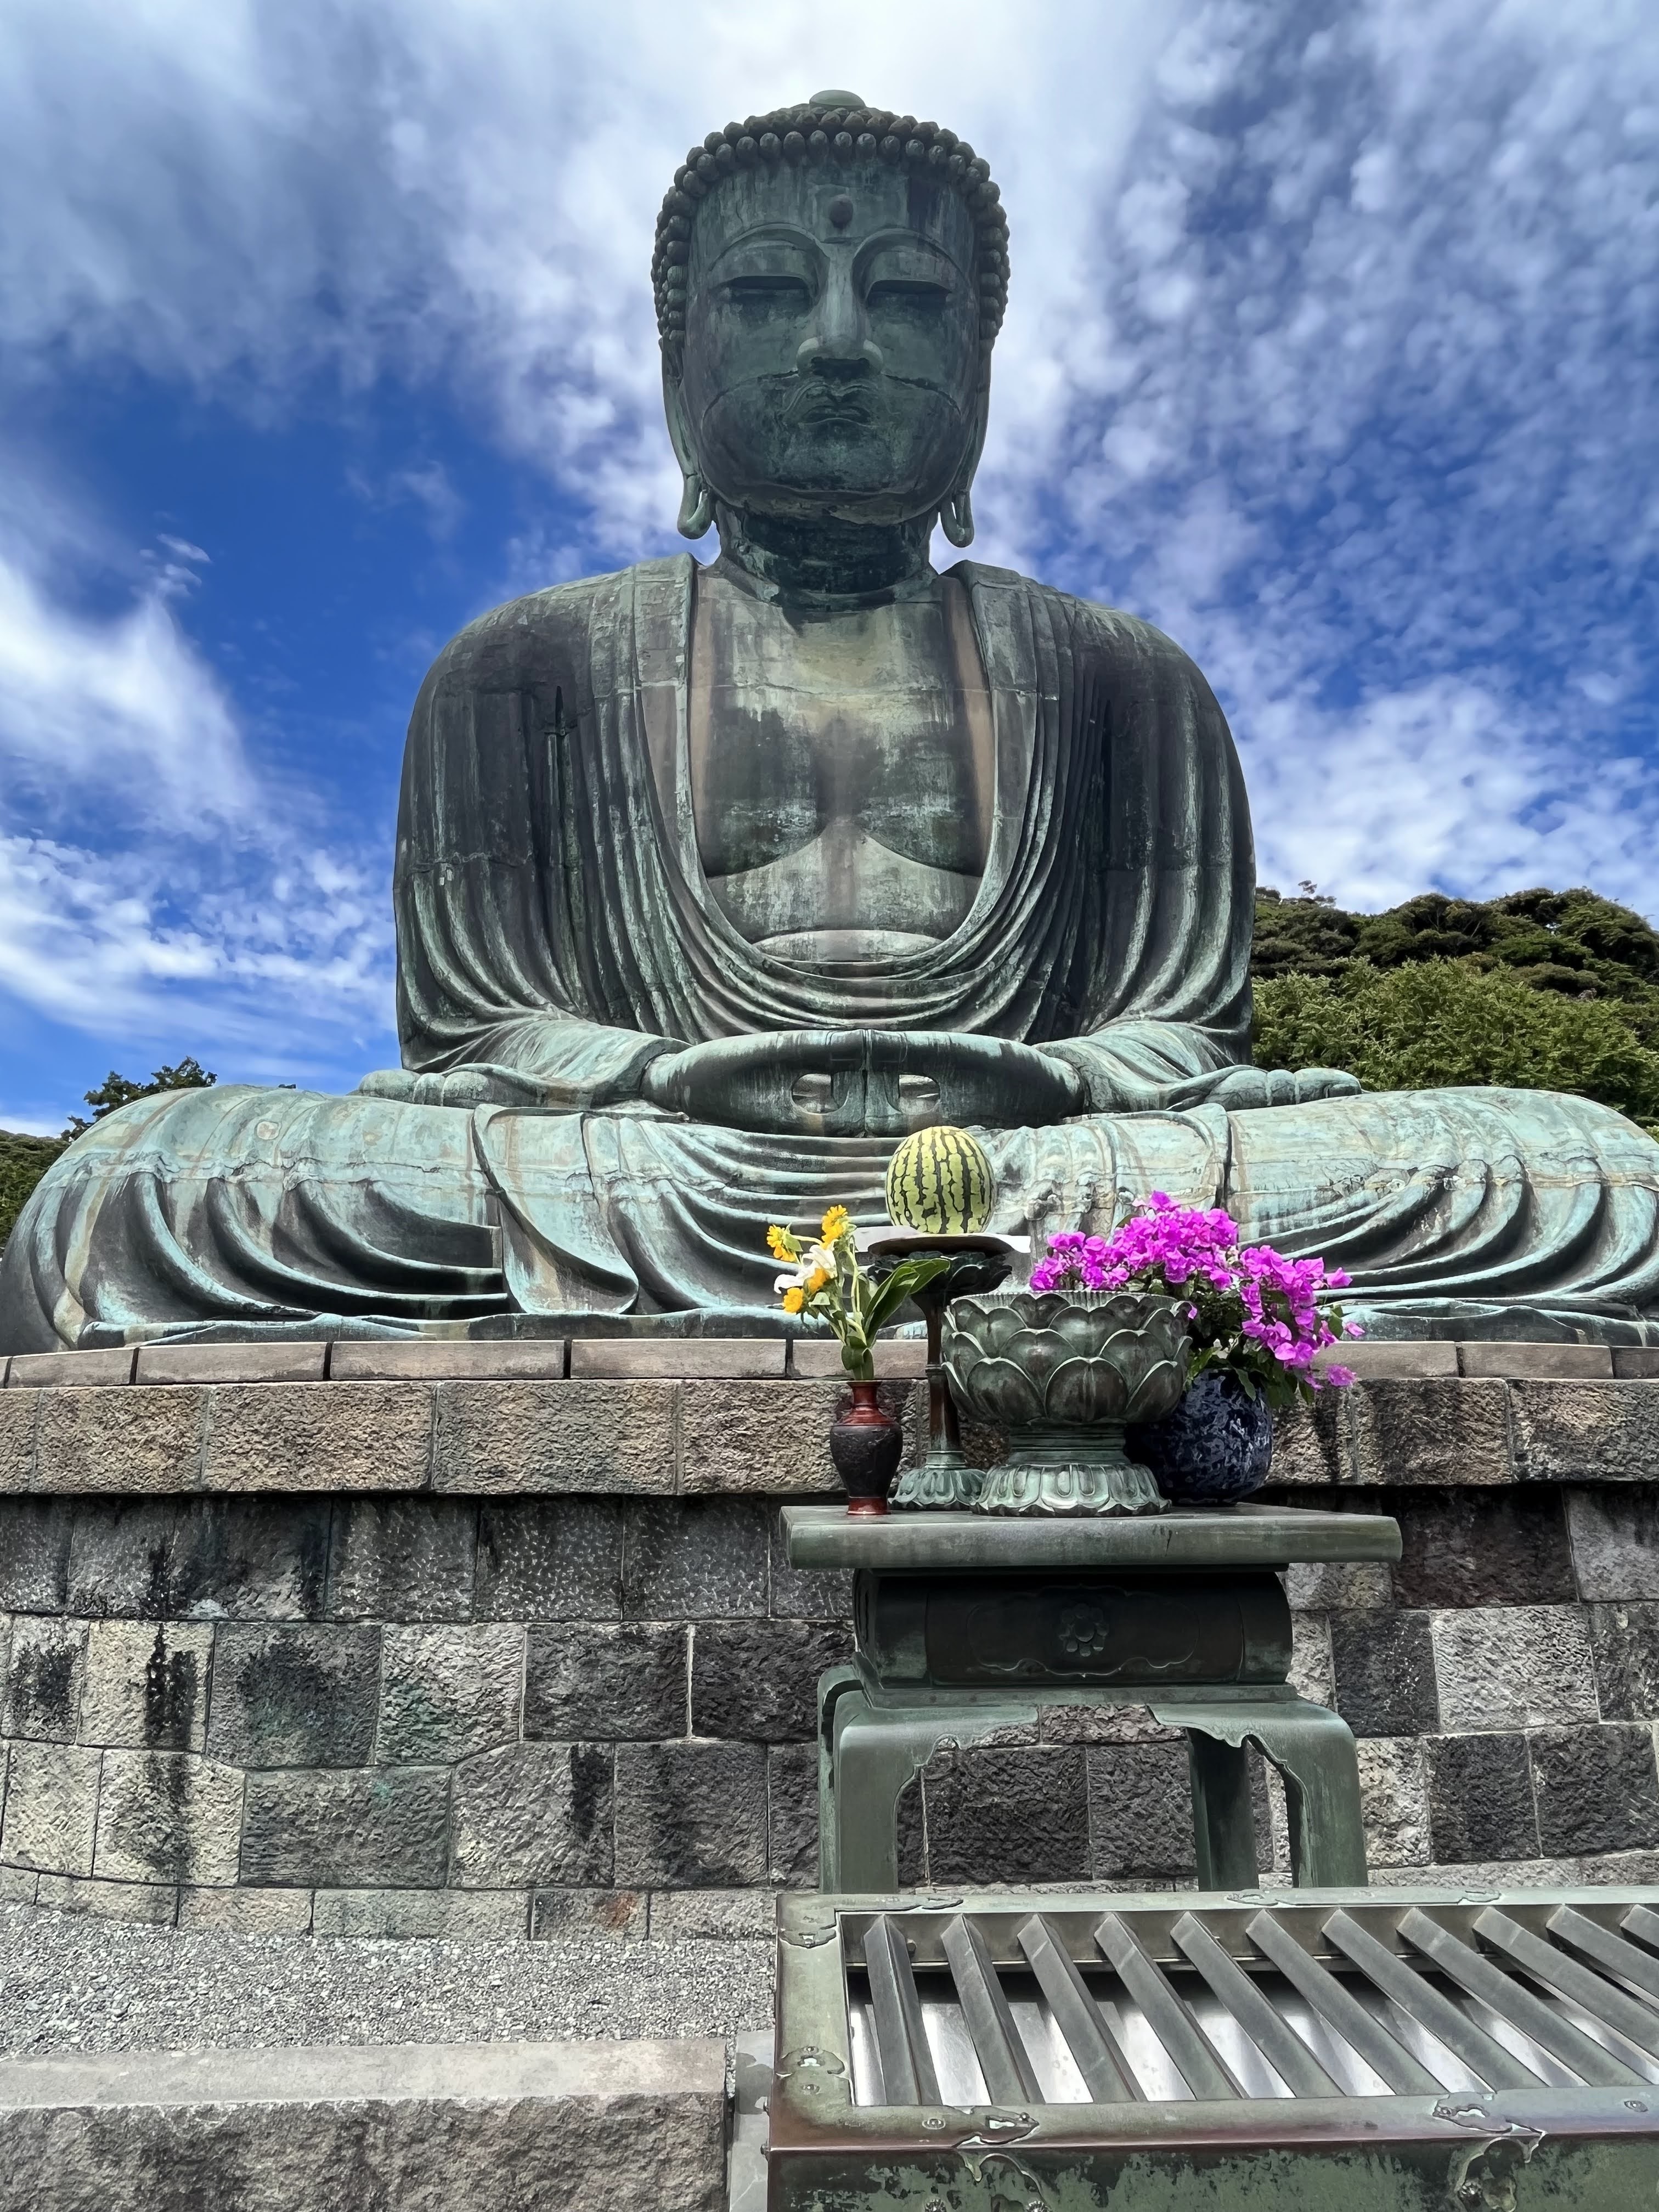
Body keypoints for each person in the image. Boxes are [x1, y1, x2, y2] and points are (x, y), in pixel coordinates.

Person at [5, 94, 1657, 1351]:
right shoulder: (525, 670)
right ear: (679, 358)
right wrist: (666, 1068)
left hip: (1053, 1165)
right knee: (142, 1192)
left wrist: (1042, 1080)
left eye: (914, 301)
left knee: (1591, 1178)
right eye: (775, 290)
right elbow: (482, 1032)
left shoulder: (1117, 677)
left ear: (982, 362)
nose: (845, 343)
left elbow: (1183, 1038)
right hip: (661, 1165)